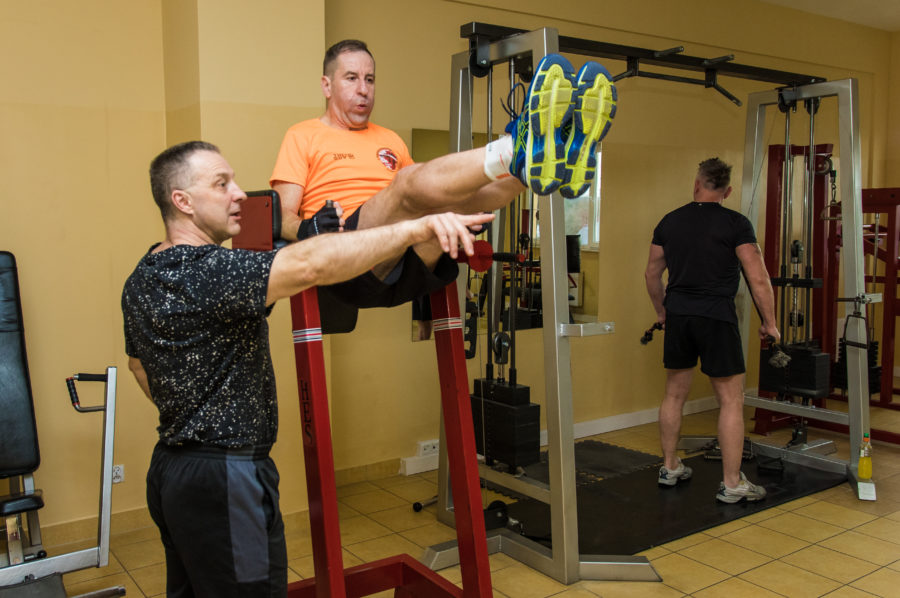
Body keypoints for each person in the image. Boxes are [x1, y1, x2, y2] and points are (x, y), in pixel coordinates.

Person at [121, 140, 494, 597]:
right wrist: (413, 230)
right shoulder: (212, 269)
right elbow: (310, 264)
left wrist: (194, 413)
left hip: (172, 470)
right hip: (226, 479)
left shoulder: (143, 275)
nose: (239, 193)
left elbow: (138, 366)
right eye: (221, 184)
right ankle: (509, 154)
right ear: (182, 201)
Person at [270, 41, 617, 317]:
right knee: (407, 184)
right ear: (326, 85)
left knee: (451, 202)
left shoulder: (389, 139)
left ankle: (534, 166)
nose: (364, 89)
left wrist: (456, 210)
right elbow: (280, 216)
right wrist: (306, 229)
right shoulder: (303, 135)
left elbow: (427, 192)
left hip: (406, 265)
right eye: (351, 78)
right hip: (345, 260)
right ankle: (516, 149)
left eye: (370, 79)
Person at [644, 157, 780, 504]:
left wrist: (662, 312)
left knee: (674, 394)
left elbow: (652, 274)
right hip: (717, 316)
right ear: (727, 191)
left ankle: (669, 467)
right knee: (731, 399)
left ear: (697, 184)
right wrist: (770, 322)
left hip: (679, 315)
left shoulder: (670, 221)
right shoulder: (736, 224)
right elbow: (758, 278)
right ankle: (732, 484)